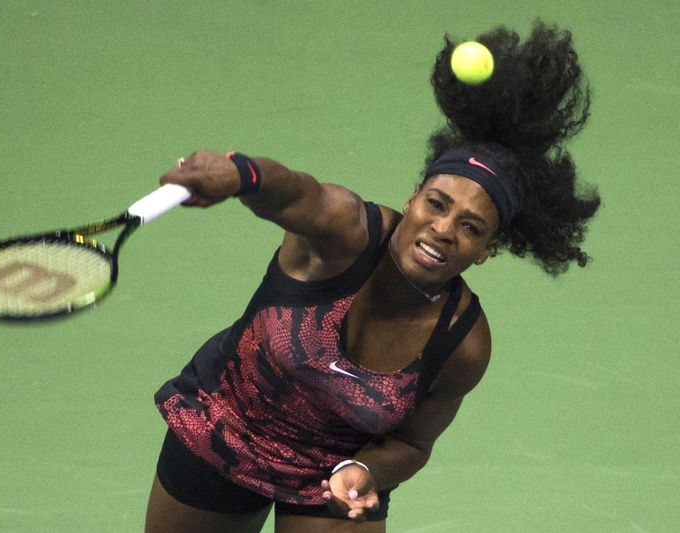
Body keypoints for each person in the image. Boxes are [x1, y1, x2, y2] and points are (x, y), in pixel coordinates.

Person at [144, 22, 600, 533]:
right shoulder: (346, 232)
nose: (443, 229)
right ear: (412, 198)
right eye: (436, 204)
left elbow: (411, 444)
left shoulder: (462, 343)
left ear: (485, 251)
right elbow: (293, 192)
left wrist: (362, 470)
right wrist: (240, 175)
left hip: (329, 470)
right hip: (227, 424)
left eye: (470, 228)